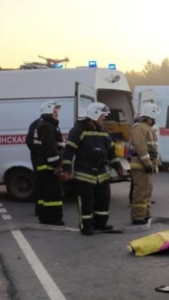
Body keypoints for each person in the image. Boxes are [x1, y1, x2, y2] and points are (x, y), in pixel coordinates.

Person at [60, 102, 125, 235]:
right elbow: (69, 151)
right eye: (102, 116)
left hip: (101, 173)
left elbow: (111, 152)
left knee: (103, 199)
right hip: (84, 173)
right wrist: (66, 168)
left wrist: (117, 166)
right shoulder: (78, 130)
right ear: (94, 116)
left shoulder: (103, 131)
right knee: (86, 201)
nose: (104, 119)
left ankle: (100, 224)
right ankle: (86, 226)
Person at [32, 100, 65, 225]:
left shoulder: (46, 125)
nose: (57, 113)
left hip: (43, 166)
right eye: (55, 111)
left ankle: (44, 217)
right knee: (53, 195)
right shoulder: (47, 127)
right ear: (49, 111)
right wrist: (57, 165)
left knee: (44, 194)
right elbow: (51, 149)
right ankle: (54, 218)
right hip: (49, 167)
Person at [129, 102, 160, 225]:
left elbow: (152, 149)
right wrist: (147, 163)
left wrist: (155, 163)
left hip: (146, 165)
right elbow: (140, 147)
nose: (155, 120)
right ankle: (137, 217)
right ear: (150, 116)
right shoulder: (139, 127)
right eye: (154, 117)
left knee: (147, 191)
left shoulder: (147, 128)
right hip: (140, 165)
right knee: (140, 192)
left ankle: (145, 214)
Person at [26, 115, 42, 217]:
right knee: (40, 185)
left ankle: (41, 210)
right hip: (39, 160)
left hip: (39, 159)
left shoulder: (39, 123)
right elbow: (29, 141)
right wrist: (38, 153)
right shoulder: (38, 124)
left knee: (41, 185)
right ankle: (39, 210)